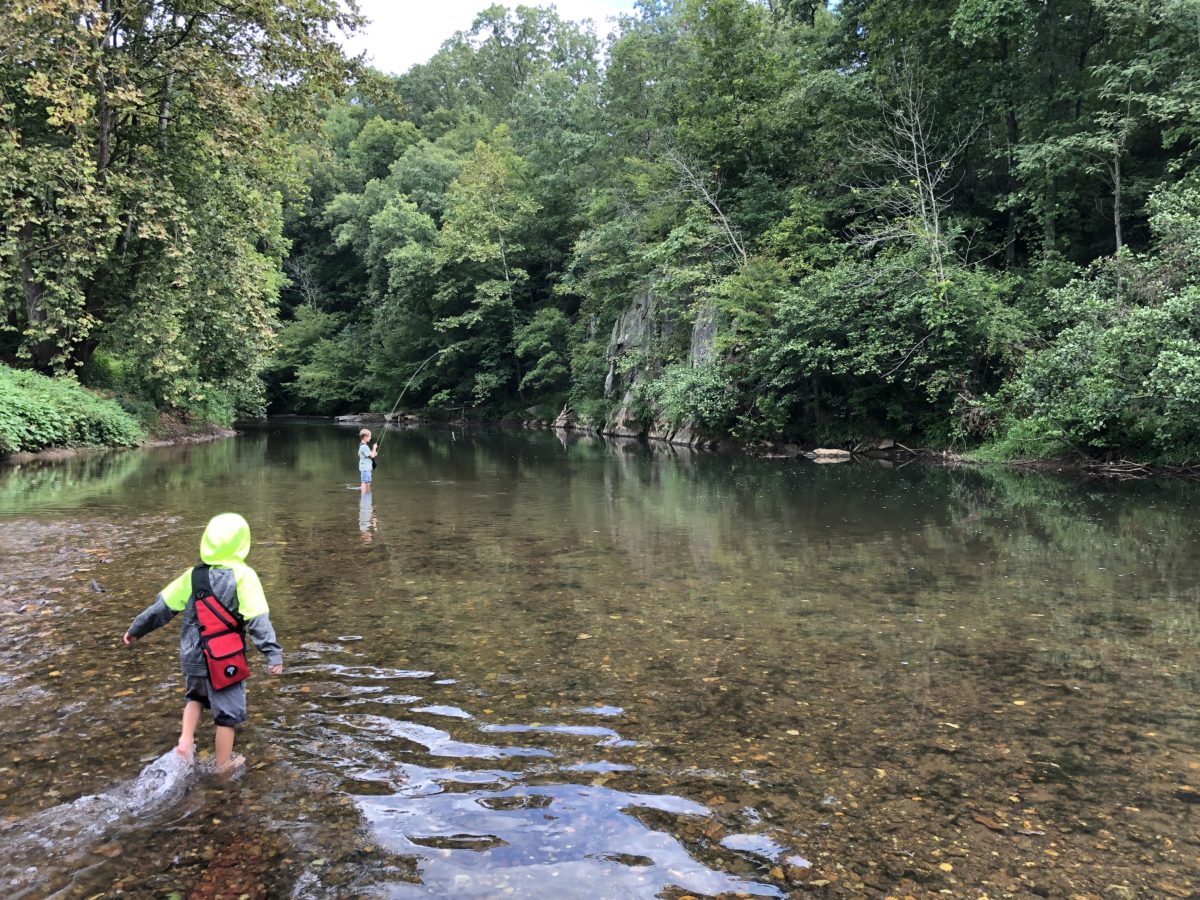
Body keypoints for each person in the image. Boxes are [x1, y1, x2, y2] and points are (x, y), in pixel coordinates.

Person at [122, 512, 283, 773]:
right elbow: (257, 620)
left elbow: (161, 609)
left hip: (192, 655)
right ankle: (223, 765)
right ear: (243, 543)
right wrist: (272, 653)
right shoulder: (244, 576)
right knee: (226, 717)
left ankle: (185, 742)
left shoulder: (192, 575)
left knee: (194, 697)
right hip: (224, 658)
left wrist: (136, 630)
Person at [359, 427, 378, 494]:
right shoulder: (364, 447)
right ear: (365, 437)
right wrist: (374, 448)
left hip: (366, 468)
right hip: (365, 468)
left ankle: (366, 496)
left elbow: (371, 455)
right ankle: (364, 496)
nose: (370, 438)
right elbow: (372, 455)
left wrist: (374, 451)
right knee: (365, 482)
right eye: (369, 436)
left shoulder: (363, 446)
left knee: (367, 482)